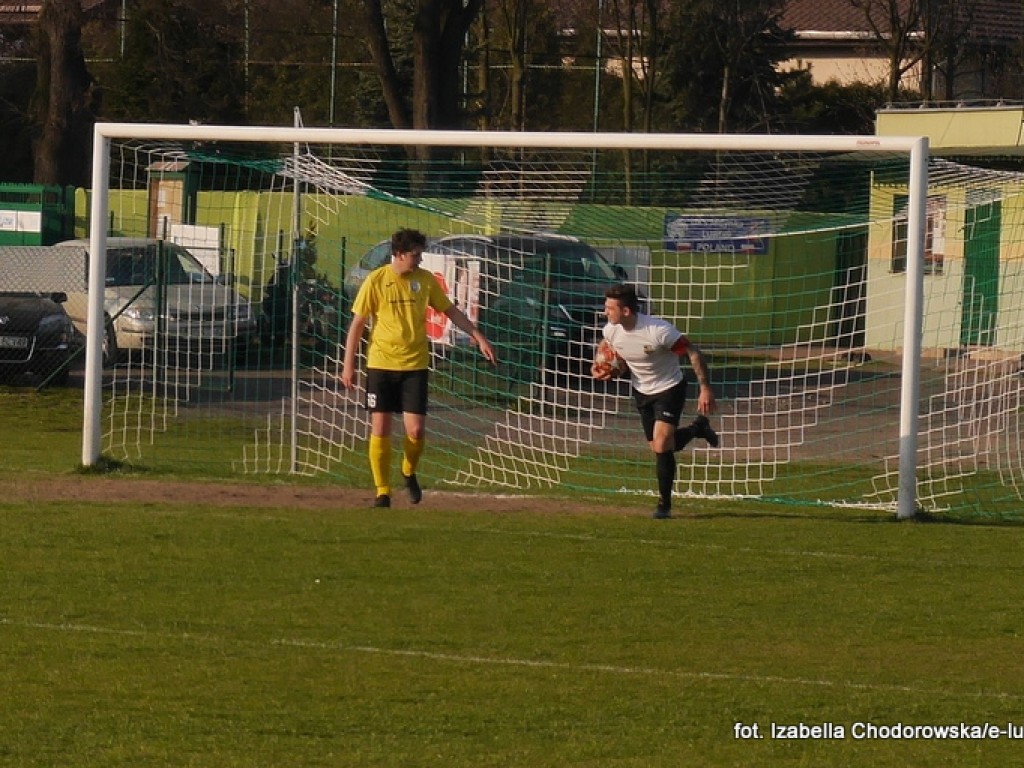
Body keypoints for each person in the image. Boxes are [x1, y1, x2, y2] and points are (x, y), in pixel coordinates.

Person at [342, 228, 498, 508]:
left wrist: (478, 336)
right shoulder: (376, 281)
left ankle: (408, 471)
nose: (419, 260)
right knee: (381, 428)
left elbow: (451, 311)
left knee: (415, 431)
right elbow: (357, 325)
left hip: (415, 365)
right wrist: (348, 365)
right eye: (415, 255)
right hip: (380, 365)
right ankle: (382, 491)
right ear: (399, 255)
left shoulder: (424, 281)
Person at [592, 283, 719, 519]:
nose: (605, 312)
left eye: (610, 308)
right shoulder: (612, 329)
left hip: (669, 388)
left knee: (661, 445)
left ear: (627, 311)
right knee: (659, 446)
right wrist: (600, 363)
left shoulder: (658, 331)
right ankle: (697, 428)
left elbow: (693, 352)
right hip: (641, 390)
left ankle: (664, 506)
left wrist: (705, 387)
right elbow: (607, 345)